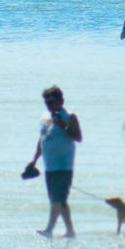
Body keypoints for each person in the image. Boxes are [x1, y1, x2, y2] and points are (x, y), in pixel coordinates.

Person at [28, 86, 82, 239]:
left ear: (61, 101)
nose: (50, 106)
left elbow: (78, 137)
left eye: (52, 102)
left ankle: (49, 230)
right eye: (47, 103)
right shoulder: (45, 117)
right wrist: (34, 159)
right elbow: (42, 139)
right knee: (60, 200)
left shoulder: (69, 116)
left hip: (64, 165)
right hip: (49, 165)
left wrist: (63, 125)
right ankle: (70, 231)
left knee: (56, 200)